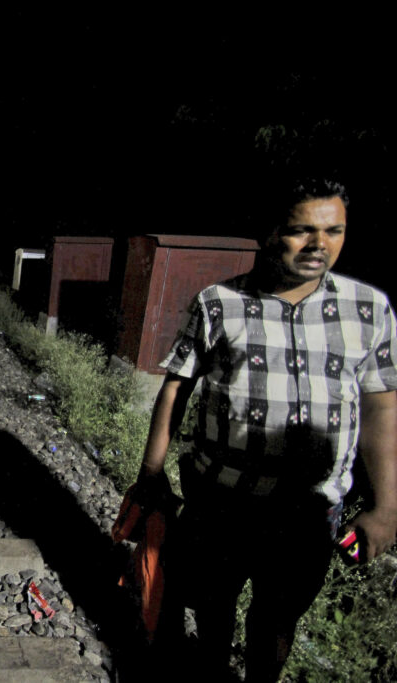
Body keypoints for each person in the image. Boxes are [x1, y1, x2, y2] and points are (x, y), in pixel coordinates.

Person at [136, 179, 397, 681]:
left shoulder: (368, 310)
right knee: (211, 606)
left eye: (333, 231)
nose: (319, 245)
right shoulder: (218, 303)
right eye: (302, 230)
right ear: (268, 232)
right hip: (220, 501)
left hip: (308, 511)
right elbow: (176, 388)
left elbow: (382, 408)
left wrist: (387, 507)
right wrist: (151, 471)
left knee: (277, 619)